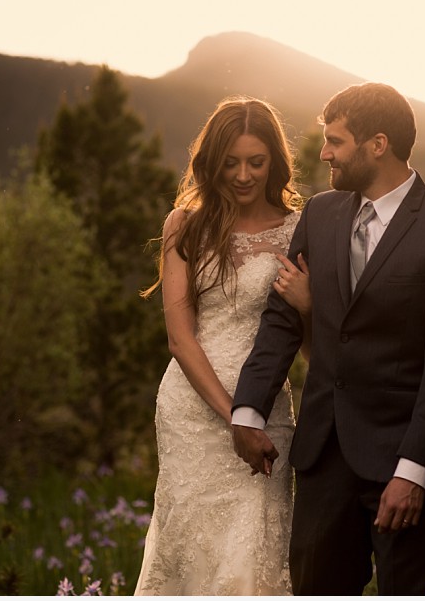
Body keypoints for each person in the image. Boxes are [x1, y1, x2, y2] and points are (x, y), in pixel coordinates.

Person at [232, 82, 425, 595]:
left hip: (404, 461)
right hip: (325, 456)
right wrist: (248, 411)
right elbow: (282, 320)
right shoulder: (320, 215)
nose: (323, 153)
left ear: (378, 144)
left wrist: (413, 473)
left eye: (335, 142)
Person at [135, 96, 310, 595]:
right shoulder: (184, 225)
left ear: (275, 160)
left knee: (256, 547)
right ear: (212, 162)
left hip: (268, 408)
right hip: (191, 413)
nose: (243, 174)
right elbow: (179, 336)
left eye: (256, 162)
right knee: (193, 548)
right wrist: (235, 416)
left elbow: (311, 339)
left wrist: (309, 305)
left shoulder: (299, 229)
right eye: (230, 162)